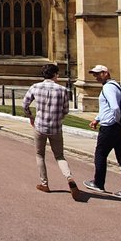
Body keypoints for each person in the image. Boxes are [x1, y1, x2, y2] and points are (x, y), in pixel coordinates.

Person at [22, 63, 82, 199]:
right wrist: (58, 118)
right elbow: (66, 110)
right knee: (60, 156)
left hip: (39, 126)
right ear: (55, 74)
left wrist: (30, 117)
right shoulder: (63, 90)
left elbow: (24, 104)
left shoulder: (35, 87)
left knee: (40, 155)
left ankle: (45, 184)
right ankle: (69, 178)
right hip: (55, 128)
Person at [86, 64, 121, 199]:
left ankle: (98, 183)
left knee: (100, 154)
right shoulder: (116, 86)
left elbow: (114, 107)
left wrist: (115, 121)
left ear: (106, 73)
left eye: (98, 74)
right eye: (94, 74)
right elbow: (106, 108)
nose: (95, 77)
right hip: (119, 127)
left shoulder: (108, 88)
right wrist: (97, 119)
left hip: (111, 127)